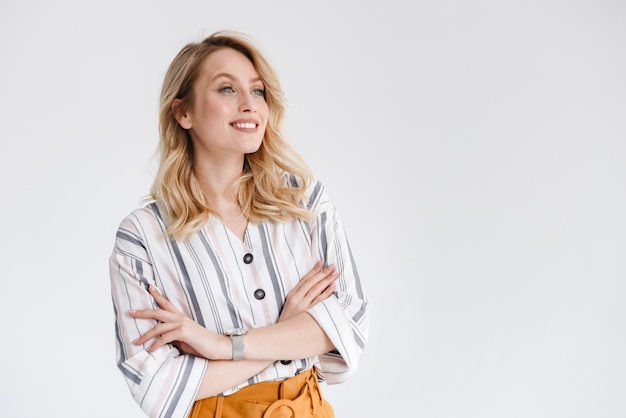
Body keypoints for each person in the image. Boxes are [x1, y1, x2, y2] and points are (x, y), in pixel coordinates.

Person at [109, 31, 369, 418]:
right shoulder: (143, 238)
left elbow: (348, 329)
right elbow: (156, 388)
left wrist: (221, 346)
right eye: (227, 89)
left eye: (258, 91)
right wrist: (287, 331)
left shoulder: (305, 203)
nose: (249, 105)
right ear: (183, 113)